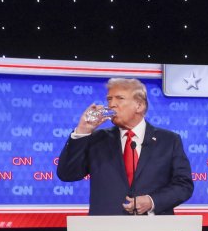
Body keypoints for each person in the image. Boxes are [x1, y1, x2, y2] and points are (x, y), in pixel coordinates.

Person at [56, 77, 194, 215]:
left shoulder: (169, 140)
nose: (112, 104)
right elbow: (67, 174)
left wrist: (152, 201)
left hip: (154, 229)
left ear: (139, 106)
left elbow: (184, 185)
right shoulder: (97, 139)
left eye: (119, 98)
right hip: (105, 230)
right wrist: (82, 131)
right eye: (109, 99)